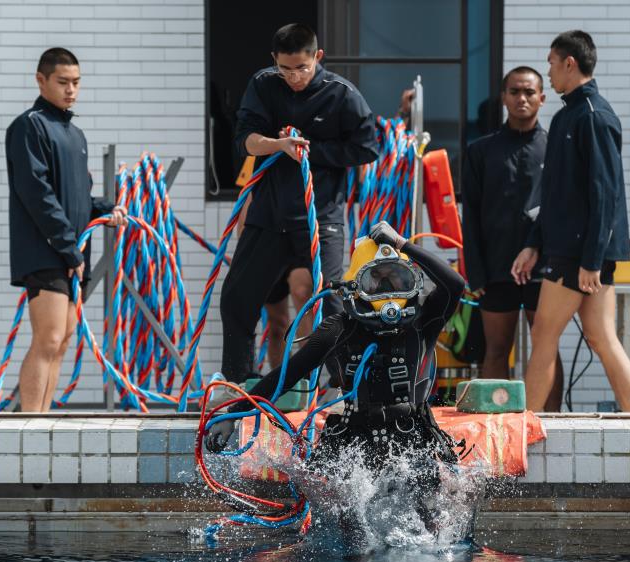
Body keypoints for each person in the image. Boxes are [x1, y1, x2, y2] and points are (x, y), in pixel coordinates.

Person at [206, 222, 466, 528]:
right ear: (356, 286)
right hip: (355, 440)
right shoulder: (339, 329)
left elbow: (455, 285)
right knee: (352, 535)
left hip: (412, 438)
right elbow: (284, 377)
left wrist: (402, 244)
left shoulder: (422, 321)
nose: (386, 291)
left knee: (428, 528)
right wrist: (233, 415)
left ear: (412, 283)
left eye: (396, 278)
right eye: (375, 281)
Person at [220, 23, 379, 384]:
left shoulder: (341, 94)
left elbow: (368, 146)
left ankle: (344, 386)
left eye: (302, 68)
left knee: (332, 303)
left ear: (317, 58)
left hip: (319, 219)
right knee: (236, 299)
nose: (293, 77)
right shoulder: (263, 85)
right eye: (285, 68)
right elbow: (245, 140)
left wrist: (314, 152)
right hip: (269, 216)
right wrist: (279, 146)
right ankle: (238, 382)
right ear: (274, 61)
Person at [510, 30, 630, 413]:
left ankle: (525, 427)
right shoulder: (569, 114)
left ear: (570, 62)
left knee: (544, 333)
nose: (548, 71)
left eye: (551, 62)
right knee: (602, 338)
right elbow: (554, 195)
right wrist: (534, 242)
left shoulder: (593, 116)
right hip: (575, 249)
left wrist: (591, 259)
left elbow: (605, 194)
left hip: (578, 252)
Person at [5, 48, 126, 412]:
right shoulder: (28, 126)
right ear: (41, 80)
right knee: (49, 337)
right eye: (62, 82)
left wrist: (107, 208)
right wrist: (68, 248)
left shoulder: (75, 134)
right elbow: (37, 193)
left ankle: (42, 425)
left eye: (76, 82)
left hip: (72, 251)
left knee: (64, 339)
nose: (71, 90)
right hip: (46, 249)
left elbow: (78, 196)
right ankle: (31, 427)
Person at [462, 65, 563, 411]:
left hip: (546, 266)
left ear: (542, 97)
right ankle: (494, 423)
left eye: (530, 92)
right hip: (495, 266)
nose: (522, 98)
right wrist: (475, 271)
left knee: (546, 346)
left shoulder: (556, 148)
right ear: (504, 97)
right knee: (496, 348)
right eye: (515, 92)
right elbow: (470, 214)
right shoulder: (480, 150)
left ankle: (552, 421)